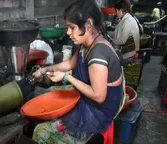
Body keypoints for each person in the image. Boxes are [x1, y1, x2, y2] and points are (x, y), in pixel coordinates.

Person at [32, 0, 124, 143]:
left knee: (41, 132)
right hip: (91, 100)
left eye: (72, 27)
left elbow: (99, 96)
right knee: (51, 92)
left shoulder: (97, 54)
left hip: (98, 111)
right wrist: (44, 70)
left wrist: (66, 77)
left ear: (88, 25)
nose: (68, 32)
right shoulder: (87, 44)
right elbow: (70, 63)